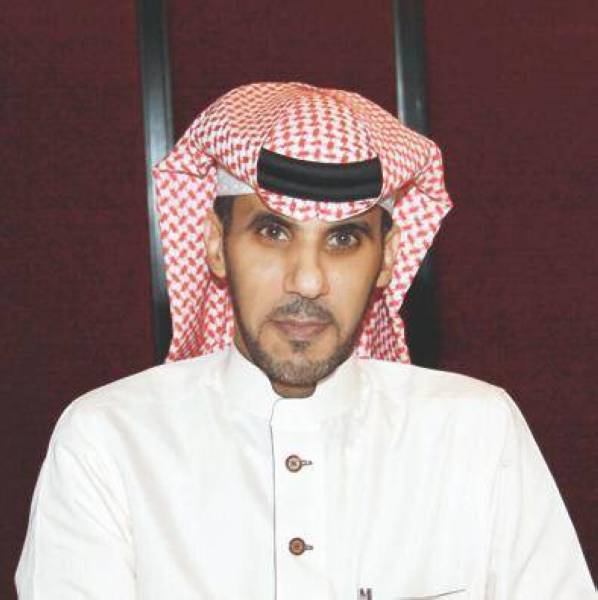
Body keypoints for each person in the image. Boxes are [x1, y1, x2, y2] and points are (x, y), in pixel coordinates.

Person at [15, 82, 595, 599]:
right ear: (215, 244)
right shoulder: (110, 442)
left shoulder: (477, 433)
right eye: (273, 232)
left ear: (388, 259)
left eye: (343, 240)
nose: (309, 281)